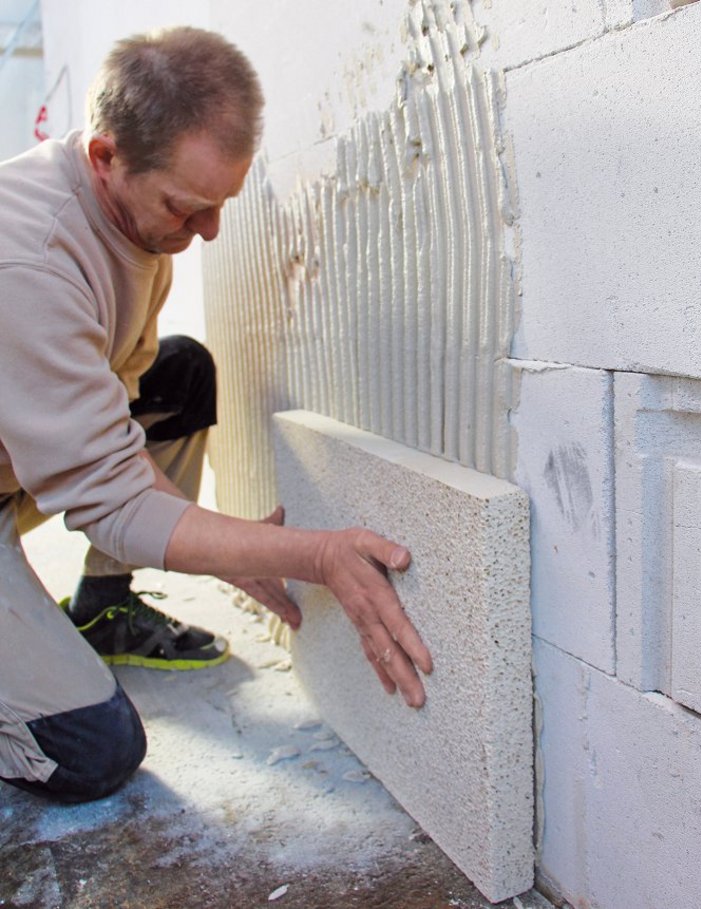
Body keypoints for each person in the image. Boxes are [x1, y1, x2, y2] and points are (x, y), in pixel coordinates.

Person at [0, 26, 432, 804]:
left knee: (183, 369)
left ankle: (103, 606)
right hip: (17, 462)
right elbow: (112, 500)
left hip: (16, 457)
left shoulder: (136, 229)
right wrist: (316, 554)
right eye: (188, 207)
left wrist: (233, 549)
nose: (209, 232)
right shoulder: (28, 260)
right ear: (105, 158)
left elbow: (116, 451)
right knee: (92, 751)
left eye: (219, 205)